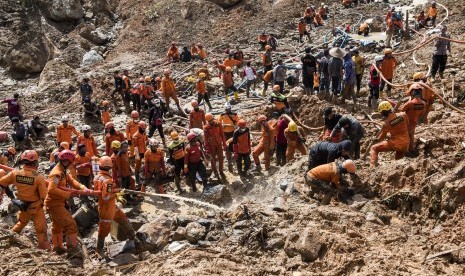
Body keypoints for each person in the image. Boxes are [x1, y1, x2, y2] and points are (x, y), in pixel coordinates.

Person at [0, 150, 49, 250]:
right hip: (35, 207)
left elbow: (2, 183)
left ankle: (10, 239)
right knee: (41, 229)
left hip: (22, 205)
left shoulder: (15, 173)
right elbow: (44, 196)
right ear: (35, 162)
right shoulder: (38, 177)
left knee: (21, 222)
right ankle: (44, 249)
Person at [45, 150, 89, 254]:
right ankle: (72, 250)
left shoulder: (63, 171)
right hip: (54, 204)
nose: (68, 164)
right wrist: (68, 195)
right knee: (71, 225)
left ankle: (58, 247)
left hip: (58, 203)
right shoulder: (56, 173)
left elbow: (72, 181)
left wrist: (83, 187)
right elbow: (51, 189)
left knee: (57, 226)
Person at [93, 156, 138, 258]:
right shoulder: (107, 180)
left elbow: (102, 192)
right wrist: (116, 195)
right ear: (109, 167)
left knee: (123, 218)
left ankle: (133, 237)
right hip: (106, 207)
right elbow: (106, 196)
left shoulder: (97, 177)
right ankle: (99, 250)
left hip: (110, 206)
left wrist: (116, 191)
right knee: (104, 228)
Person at [370, 101, 409, 167]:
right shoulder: (403, 115)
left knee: (374, 148)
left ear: (384, 112)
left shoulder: (387, 123)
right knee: (398, 161)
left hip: (395, 144)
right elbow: (407, 124)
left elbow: (382, 136)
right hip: (406, 143)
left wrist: (377, 139)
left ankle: (372, 167)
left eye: (382, 113)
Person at [398, 83, 427, 153]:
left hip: (406, 123)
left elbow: (401, 110)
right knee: (411, 136)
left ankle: (404, 151)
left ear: (412, 92)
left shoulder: (410, 103)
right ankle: (411, 150)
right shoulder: (423, 103)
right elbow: (421, 114)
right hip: (414, 122)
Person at [204, 113, 227, 179]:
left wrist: (224, 143)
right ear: (207, 121)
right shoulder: (206, 128)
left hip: (219, 143)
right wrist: (207, 147)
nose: (211, 121)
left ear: (213, 118)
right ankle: (214, 171)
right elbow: (205, 138)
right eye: (209, 121)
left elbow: (222, 134)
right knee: (212, 158)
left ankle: (221, 171)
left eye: (211, 120)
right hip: (212, 145)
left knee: (221, 157)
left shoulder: (218, 123)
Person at [219, 103, 239, 172]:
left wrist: (235, 125)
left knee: (234, 142)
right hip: (225, 132)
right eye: (226, 109)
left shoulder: (234, 114)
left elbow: (237, 122)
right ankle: (229, 158)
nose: (227, 110)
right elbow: (219, 122)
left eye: (228, 109)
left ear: (230, 108)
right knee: (226, 143)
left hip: (233, 131)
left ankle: (235, 153)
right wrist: (222, 125)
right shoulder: (222, 115)